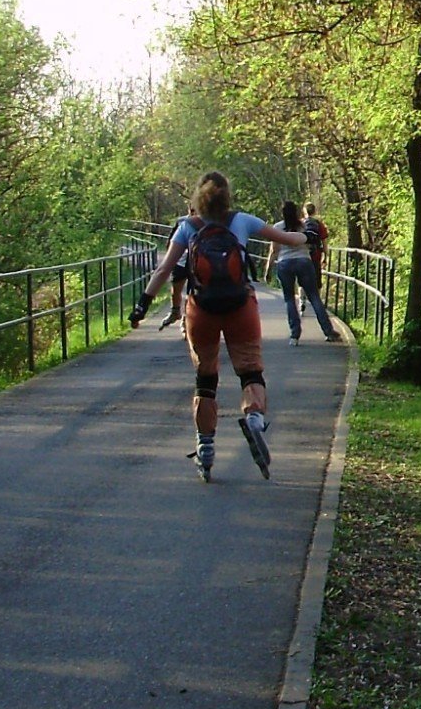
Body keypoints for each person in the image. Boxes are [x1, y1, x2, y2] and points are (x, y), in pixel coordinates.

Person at [128, 172, 308, 482]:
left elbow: (163, 269)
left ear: (198, 197)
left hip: (202, 311)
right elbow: (291, 239)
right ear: (227, 196)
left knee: (206, 378)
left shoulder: (188, 227)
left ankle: (206, 449)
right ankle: (253, 418)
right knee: (250, 371)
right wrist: (309, 235)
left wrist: (142, 305)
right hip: (241, 307)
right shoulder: (243, 221)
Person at [268, 200, 337, 346]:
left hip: (285, 263)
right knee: (314, 296)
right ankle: (328, 331)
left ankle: (294, 335)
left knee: (289, 299)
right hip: (304, 261)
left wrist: (268, 269)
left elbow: (274, 250)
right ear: (297, 212)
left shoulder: (277, 227)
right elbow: (313, 242)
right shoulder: (305, 226)